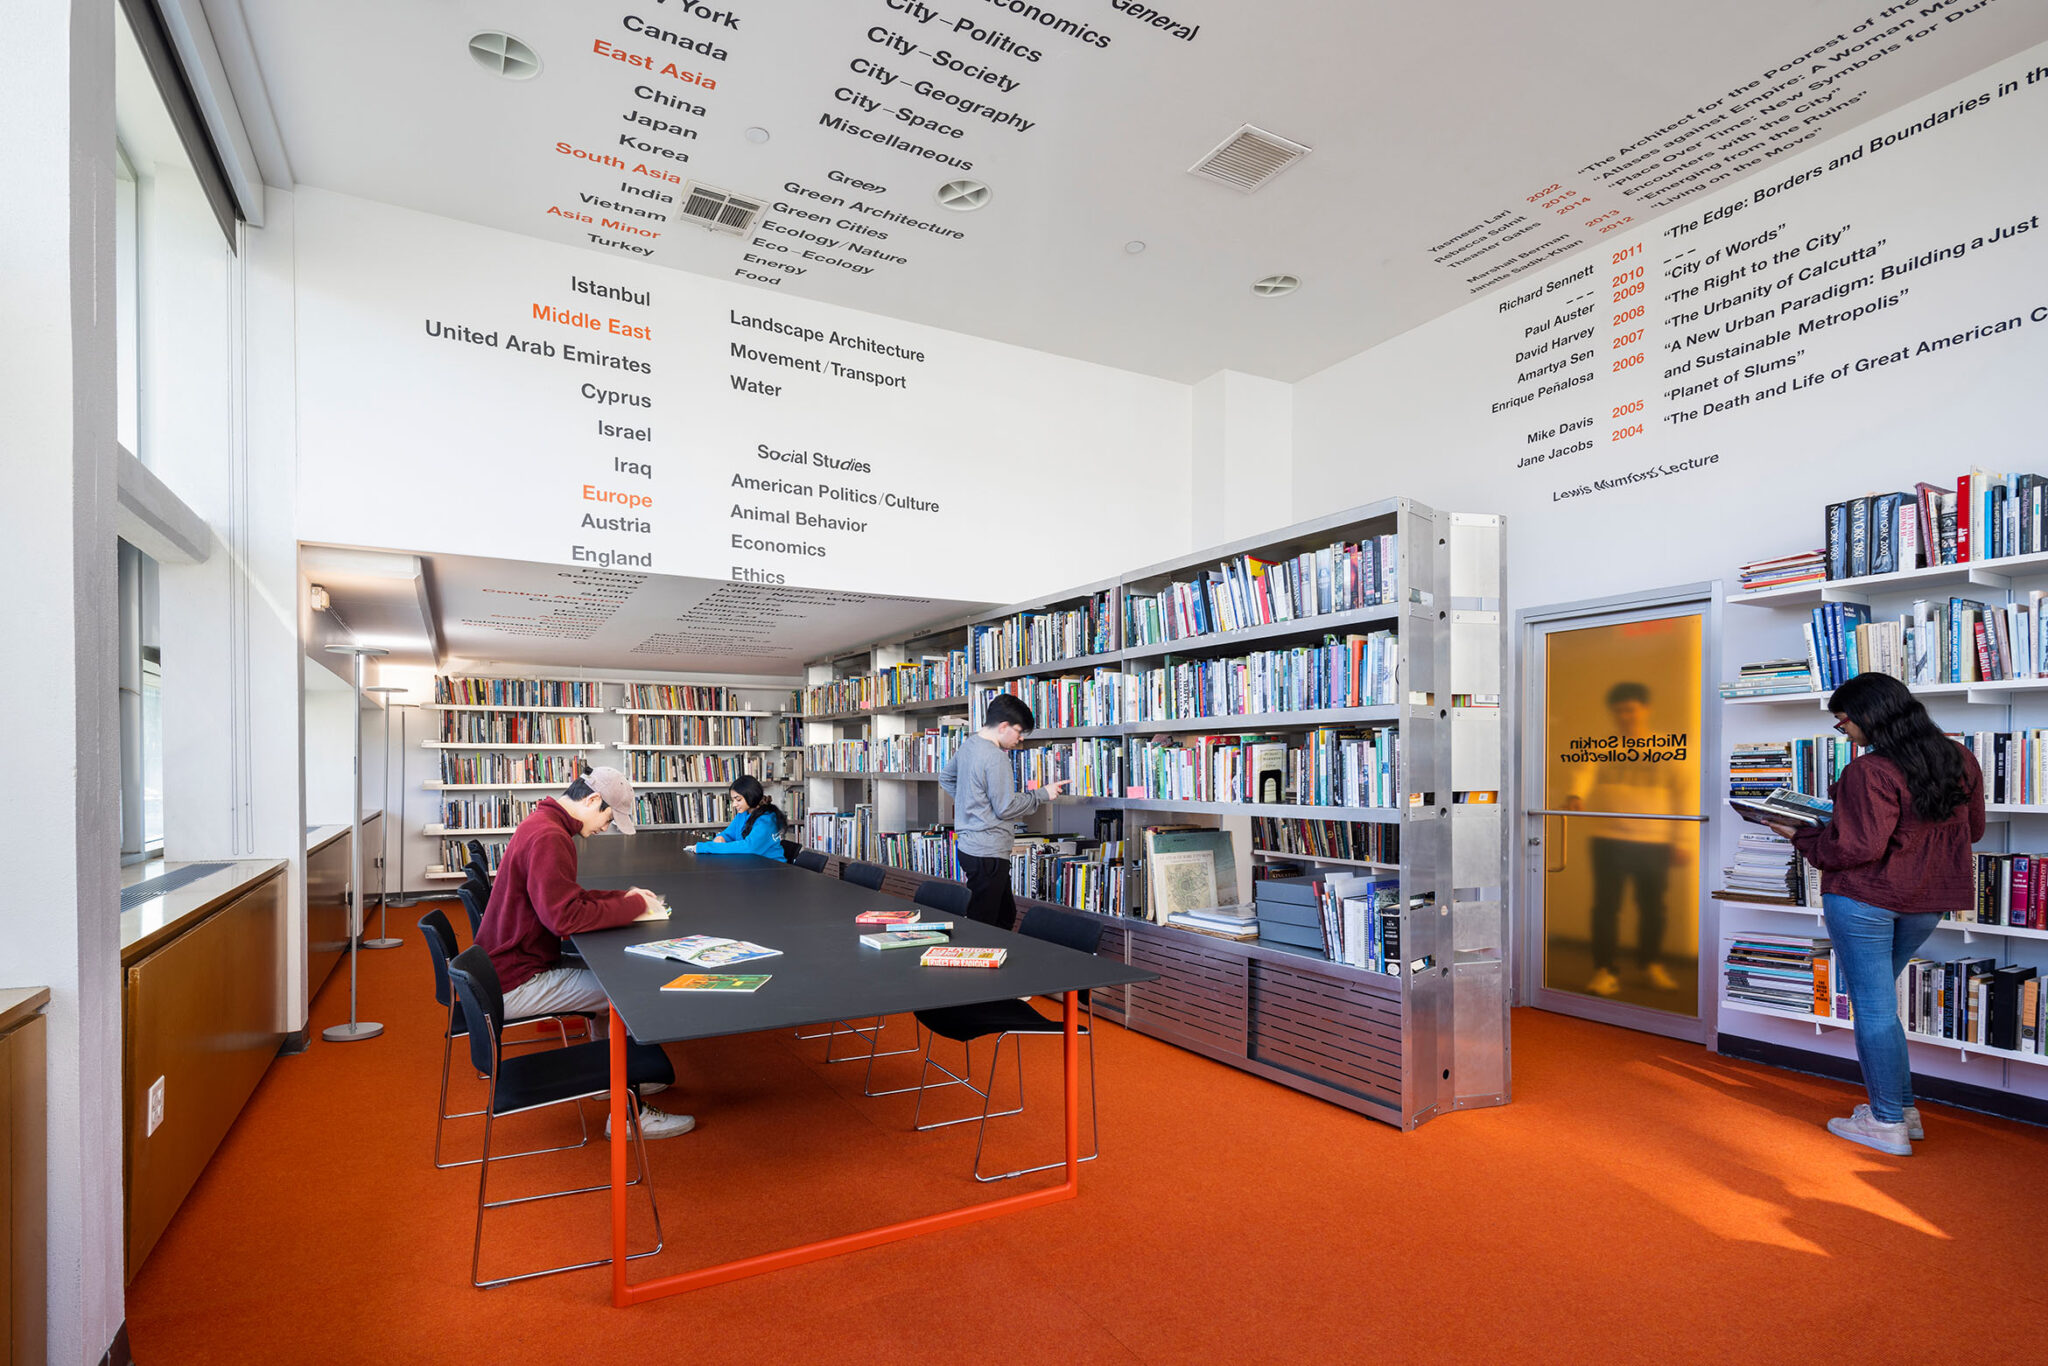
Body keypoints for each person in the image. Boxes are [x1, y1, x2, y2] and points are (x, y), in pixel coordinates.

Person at [1766, 672, 1983, 1157]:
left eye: (1843, 724)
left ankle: (1885, 1122)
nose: (1845, 733)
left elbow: (1856, 847)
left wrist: (1797, 834)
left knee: (1873, 1007)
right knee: (1879, 1003)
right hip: (1928, 901)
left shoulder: (1870, 771)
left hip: (1866, 899)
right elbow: (1974, 830)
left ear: (1868, 716)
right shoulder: (1960, 759)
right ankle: (1903, 1111)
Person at [475, 766, 695, 1139]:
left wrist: (624, 898)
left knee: (608, 983)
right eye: (609, 817)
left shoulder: (543, 823)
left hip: (508, 965)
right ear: (593, 799)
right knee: (623, 992)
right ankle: (627, 1113)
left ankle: (611, 1081)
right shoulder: (550, 837)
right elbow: (564, 918)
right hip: (515, 980)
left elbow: (566, 899)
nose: (606, 828)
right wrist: (634, 908)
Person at [1564, 681, 1690, 998]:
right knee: (1605, 907)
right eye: (1619, 711)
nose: (1625, 716)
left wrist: (1683, 839)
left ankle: (1650, 965)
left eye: (1630, 709)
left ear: (1645, 710)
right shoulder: (1603, 746)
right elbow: (1584, 771)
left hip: (1655, 840)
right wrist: (1576, 794)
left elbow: (1684, 794)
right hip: (1609, 839)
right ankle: (1604, 969)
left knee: (1653, 909)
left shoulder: (1666, 747)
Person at [938, 693, 1068, 928]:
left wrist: (973, 803)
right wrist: (1042, 794)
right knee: (987, 922)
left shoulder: (970, 745)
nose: (1019, 740)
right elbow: (1006, 808)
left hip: (969, 847)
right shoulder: (996, 757)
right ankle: (974, 960)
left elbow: (946, 777)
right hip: (988, 851)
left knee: (1003, 914)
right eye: (1019, 732)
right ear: (1004, 726)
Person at [693, 775, 787, 857]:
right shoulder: (742, 814)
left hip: (771, 869)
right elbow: (728, 834)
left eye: (738, 800)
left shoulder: (767, 819)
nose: (734, 805)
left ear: (751, 796)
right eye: (733, 800)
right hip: (751, 865)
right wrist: (721, 838)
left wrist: (706, 847)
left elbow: (749, 847)